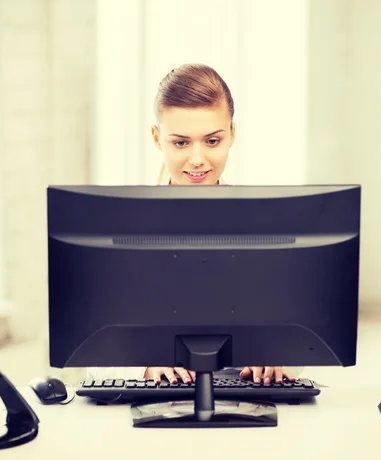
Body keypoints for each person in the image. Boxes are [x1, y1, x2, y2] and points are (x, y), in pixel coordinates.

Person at [87, 63, 303, 385]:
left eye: (212, 141)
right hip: (158, 394)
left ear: (232, 134)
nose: (198, 159)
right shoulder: (124, 228)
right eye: (180, 143)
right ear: (157, 139)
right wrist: (144, 369)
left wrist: (276, 354)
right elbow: (91, 352)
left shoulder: (262, 225)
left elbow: (304, 339)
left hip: (245, 395)